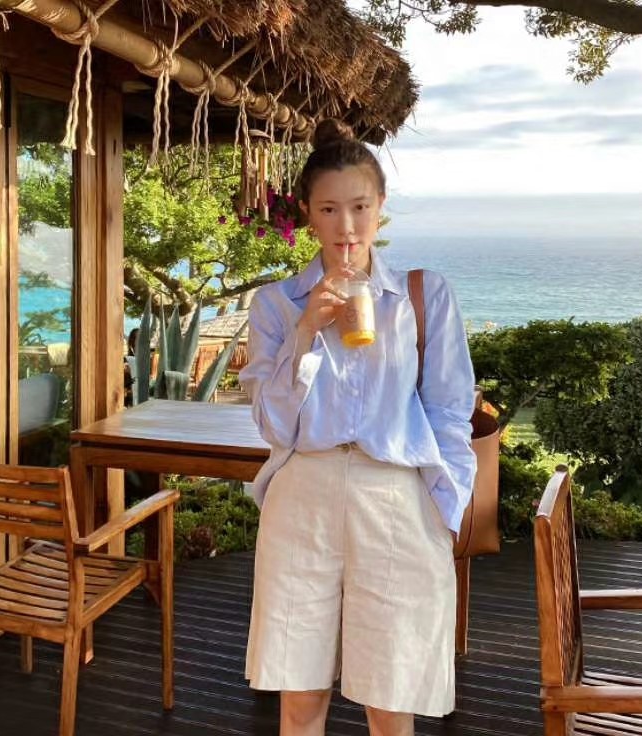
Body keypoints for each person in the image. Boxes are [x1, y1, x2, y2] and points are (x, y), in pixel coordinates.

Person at [238, 119, 477, 736]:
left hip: (394, 495)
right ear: (308, 215)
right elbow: (272, 424)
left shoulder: (423, 296)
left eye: (360, 206)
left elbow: (450, 411)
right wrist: (304, 334)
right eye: (329, 209)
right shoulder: (275, 305)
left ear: (381, 207)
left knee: (389, 700)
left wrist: (446, 508)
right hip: (303, 496)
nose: (346, 225)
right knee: (300, 694)